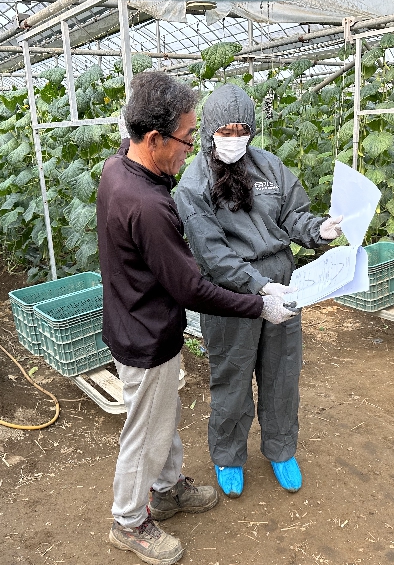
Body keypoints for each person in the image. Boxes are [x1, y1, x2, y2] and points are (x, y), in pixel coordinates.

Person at [97, 72, 296, 565]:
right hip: (146, 334)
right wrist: (258, 303)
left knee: (161, 418)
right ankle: (129, 522)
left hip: (140, 322)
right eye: (188, 138)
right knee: (145, 433)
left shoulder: (119, 168)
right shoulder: (149, 204)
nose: (192, 149)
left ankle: (167, 491)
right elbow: (192, 288)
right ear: (153, 138)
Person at [174, 84, 343, 499]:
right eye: (226, 131)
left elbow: (293, 216)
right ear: (210, 130)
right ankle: (228, 457)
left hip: (283, 286)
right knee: (231, 377)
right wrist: (259, 288)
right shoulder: (193, 183)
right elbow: (212, 253)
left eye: (242, 130)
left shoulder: (269, 167)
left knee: (282, 372)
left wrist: (318, 230)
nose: (234, 139)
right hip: (231, 295)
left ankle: (281, 450)